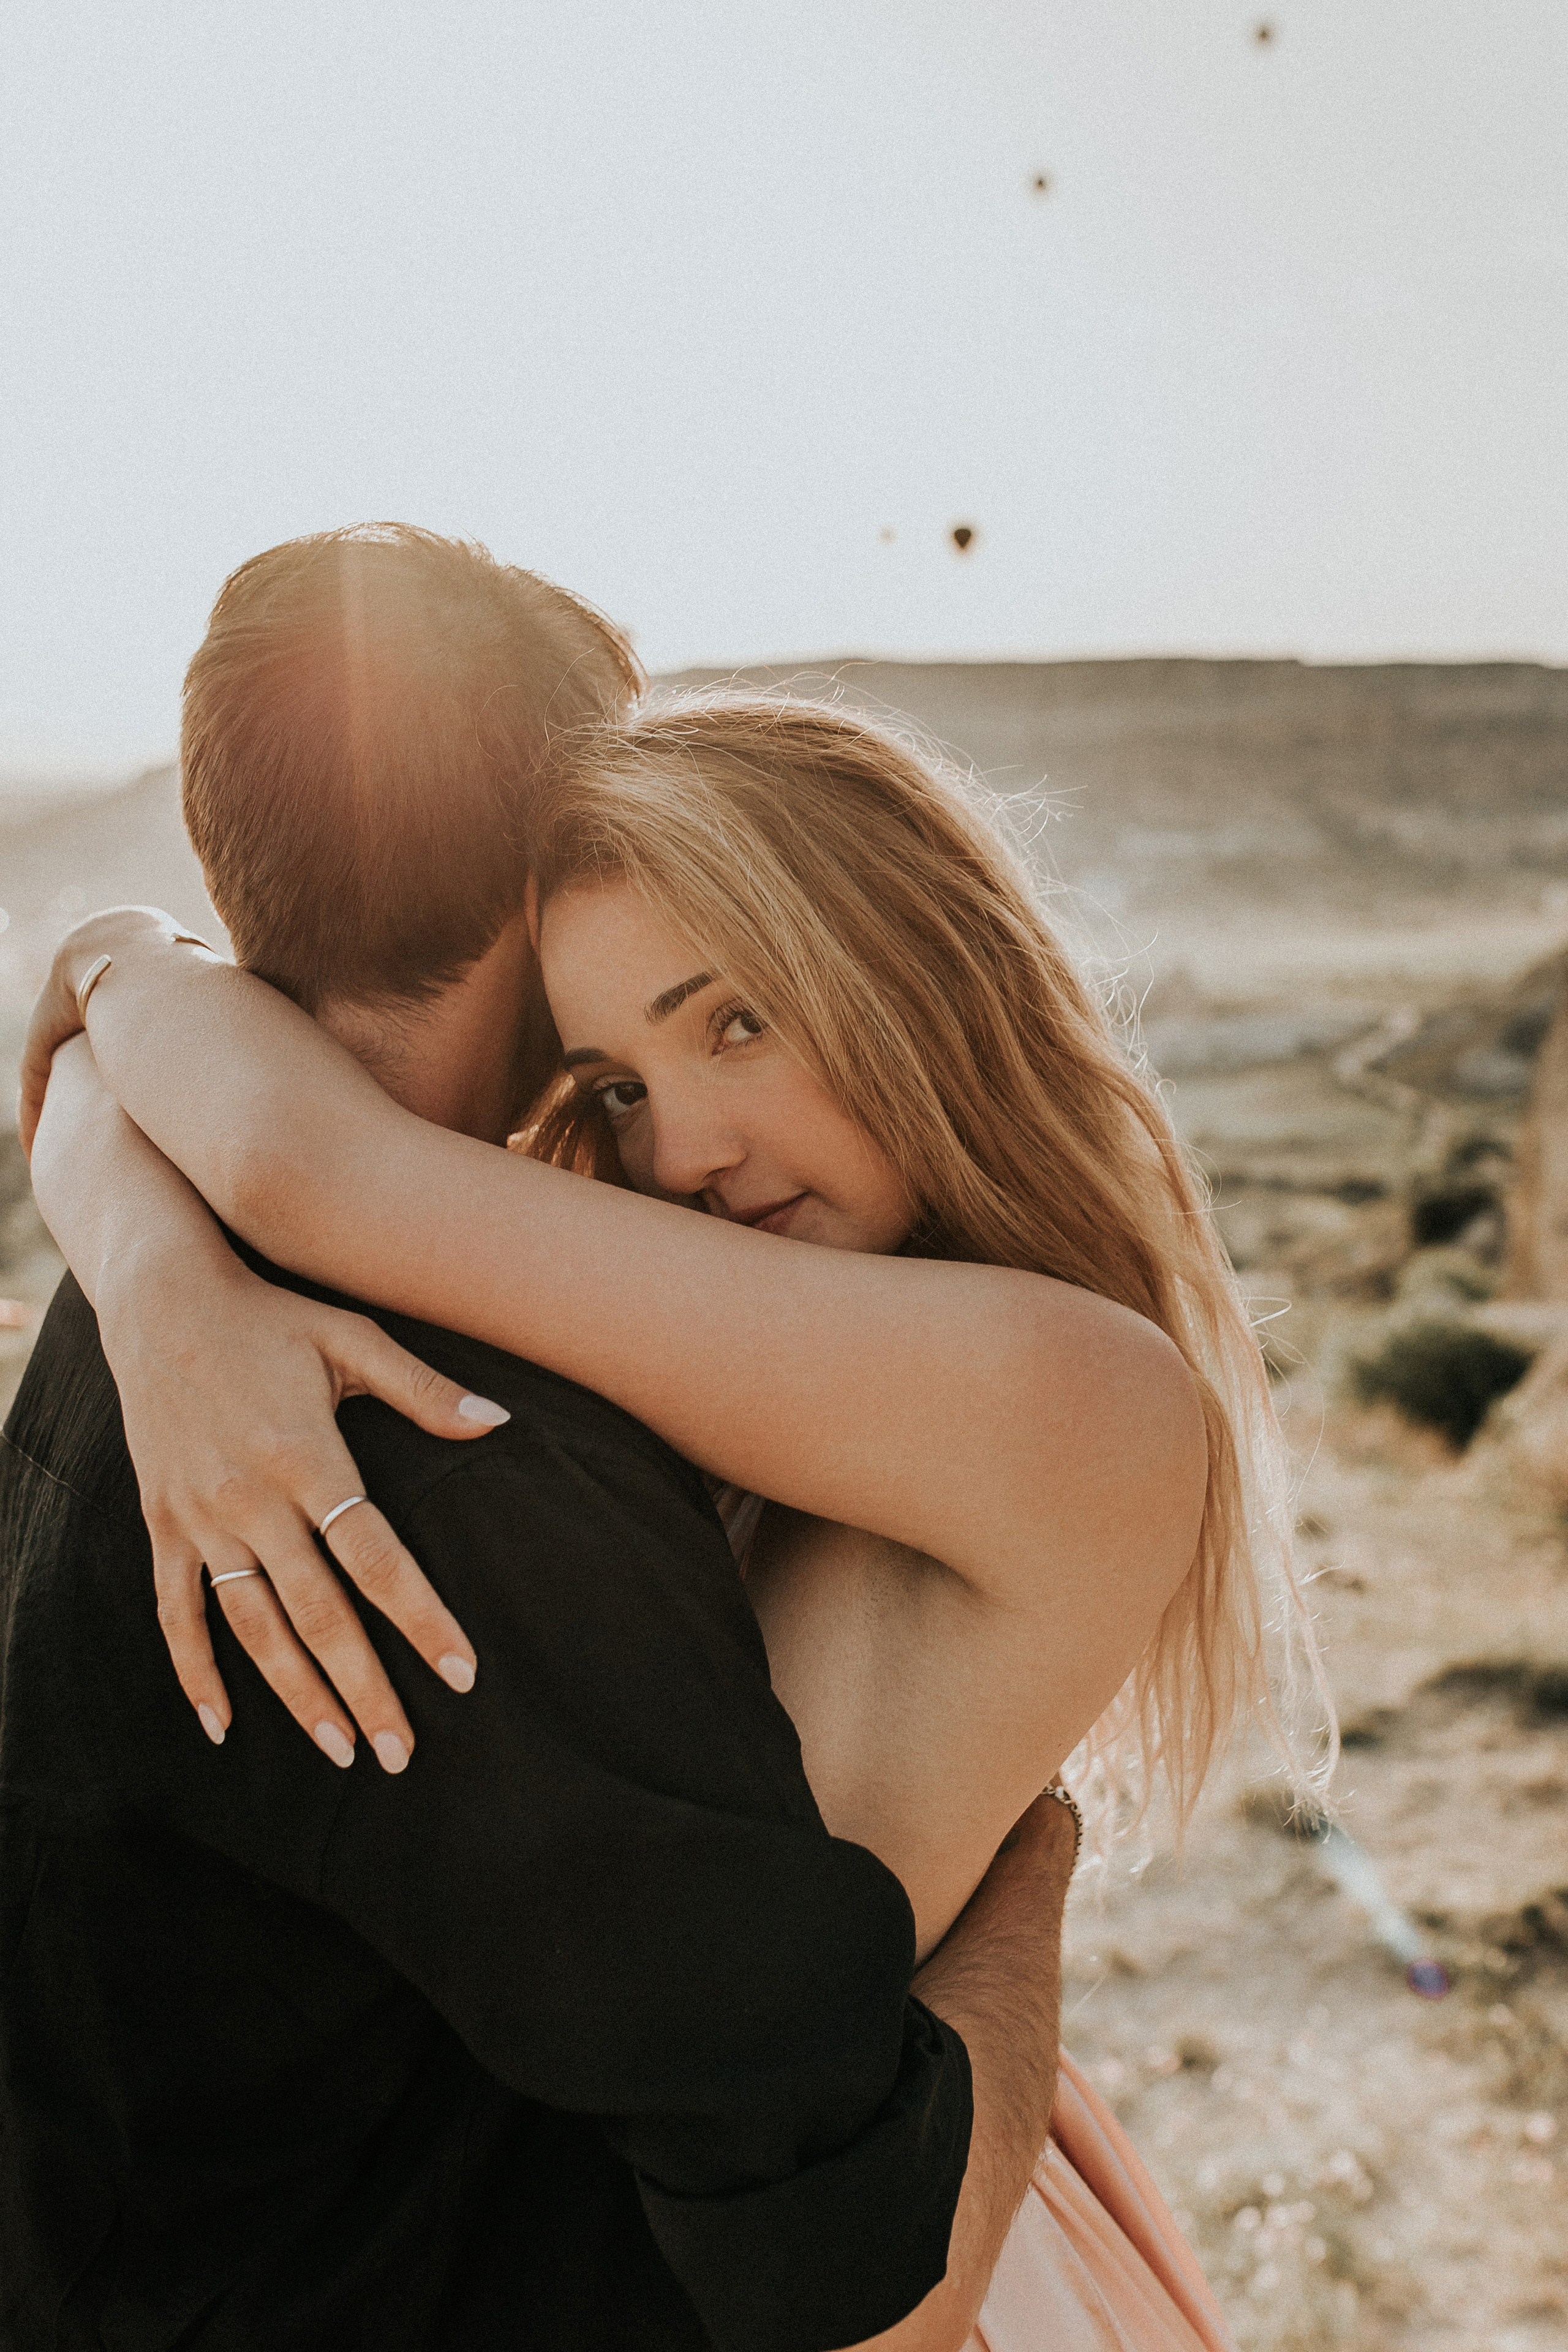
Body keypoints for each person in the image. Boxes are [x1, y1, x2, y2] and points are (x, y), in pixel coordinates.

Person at [20, 687, 1330, 2343]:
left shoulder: (1075, 1388)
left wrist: (115, 964)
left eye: (734, 1025)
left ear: (917, 970)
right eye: (611, 1081)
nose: (684, 1150)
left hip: (894, 2249)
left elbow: (307, 1168)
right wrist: (147, 1268)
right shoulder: (728, 1349)